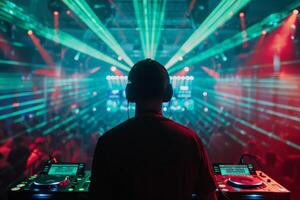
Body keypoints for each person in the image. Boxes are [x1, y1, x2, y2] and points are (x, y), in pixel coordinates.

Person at [90, 59, 216, 200]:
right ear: (168, 93)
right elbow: (208, 195)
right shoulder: (190, 140)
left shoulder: (108, 141)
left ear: (129, 93)